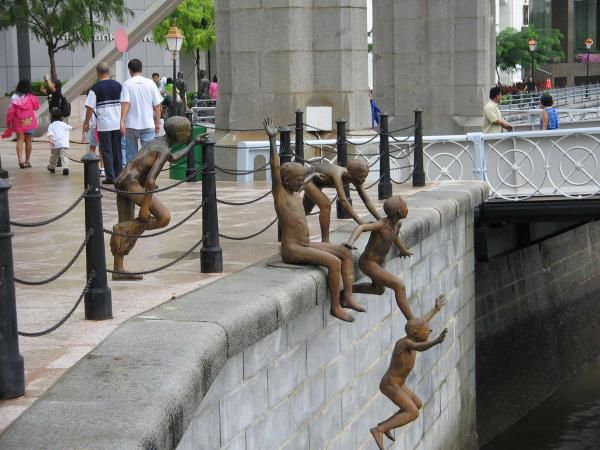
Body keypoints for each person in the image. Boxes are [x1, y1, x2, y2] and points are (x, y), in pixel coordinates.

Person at [264, 118, 363, 322]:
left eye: (302, 180)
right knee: (334, 263)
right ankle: (335, 306)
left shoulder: (295, 192)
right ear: (285, 181)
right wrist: (272, 139)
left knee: (344, 253)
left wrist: (308, 176)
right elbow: (275, 167)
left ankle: (348, 297)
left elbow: (310, 176)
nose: (302, 184)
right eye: (298, 180)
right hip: (292, 249)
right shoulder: (280, 194)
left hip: (306, 244)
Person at [110, 117, 202, 280]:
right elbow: (151, 180)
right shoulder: (164, 150)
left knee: (125, 221)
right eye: (187, 131)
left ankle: (118, 269)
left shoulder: (157, 142)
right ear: (179, 133)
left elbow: (172, 158)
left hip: (122, 180)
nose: (188, 134)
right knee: (163, 217)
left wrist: (193, 144)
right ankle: (123, 229)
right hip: (131, 184)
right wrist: (145, 208)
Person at [370, 295, 448, 450]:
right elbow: (420, 347)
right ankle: (379, 430)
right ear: (415, 334)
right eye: (427, 332)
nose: (429, 332)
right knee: (413, 412)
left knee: (417, 404)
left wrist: (435, 310)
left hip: (399, 384)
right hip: (390, 384)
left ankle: (386, 425)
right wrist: (435, 342)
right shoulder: (406, 343)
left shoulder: (415, 334)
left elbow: (422, 321)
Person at [342, 196, 414, 320]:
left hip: (379, 263)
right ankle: (412, 320)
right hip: (368, 263)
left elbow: (394, 237)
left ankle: (346, 292)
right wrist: (351, 241)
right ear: (400, 212)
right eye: (406, 208)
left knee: (378, 290)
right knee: (399, 285)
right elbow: (362, 227)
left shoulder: (397, 224)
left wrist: (402, 249)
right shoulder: (381, 225)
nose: (407, 210)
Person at [303, 160, 379, 243]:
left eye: (365, 177)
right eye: (361, 177)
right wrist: (361, 223)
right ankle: (325, 240)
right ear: (350, 174)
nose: (363, 180)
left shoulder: (356, 177)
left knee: (304, 211)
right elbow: (343, 200)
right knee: (325, 205)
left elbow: (366, 200)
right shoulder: (338, 174)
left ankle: (288, 227)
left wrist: (380, 219)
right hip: (308, 178)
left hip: (317, 183)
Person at [83, 62, 123, 184]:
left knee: (106, 150)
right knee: (117, 150)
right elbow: (125, 102)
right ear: (109, 72)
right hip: (117, 123)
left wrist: (86, 123)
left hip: (104, 125)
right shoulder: (118, 85)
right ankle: (119, 175)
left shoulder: (95, 88)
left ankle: (110, 177)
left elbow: (89, 107)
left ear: (97, 73)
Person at [120, 58, 163, 163]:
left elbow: (125, 103)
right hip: (148, 123)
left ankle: (132, 176)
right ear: (141, 69)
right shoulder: (151, 83)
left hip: (131, 124)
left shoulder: (127, 84)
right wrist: (157, 123)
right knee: (148, 153)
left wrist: (122, 120)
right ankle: (146, 175)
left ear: (130, 71)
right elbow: (157, 105)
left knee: (131, 153)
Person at [2, 79, 40, 168]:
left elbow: (11, 110)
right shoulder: (31, 97)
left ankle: (20, 160)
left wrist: (8, 122)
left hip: (18, 121)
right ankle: (27, 161)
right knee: (28, 140)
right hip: (29, 121)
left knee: (20, 139)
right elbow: (36, 107)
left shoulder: (15, 97)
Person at [46, 107, 71, 175]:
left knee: (54, 156)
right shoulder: (64, 124)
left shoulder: (51, 125)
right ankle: (65, 168)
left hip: (55, 144)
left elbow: (50, 134)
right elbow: (70, 128)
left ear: (52, 116)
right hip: (64, 143)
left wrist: (50, 140)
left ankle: (52, 167)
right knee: (64, 156)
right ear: (61, 116)